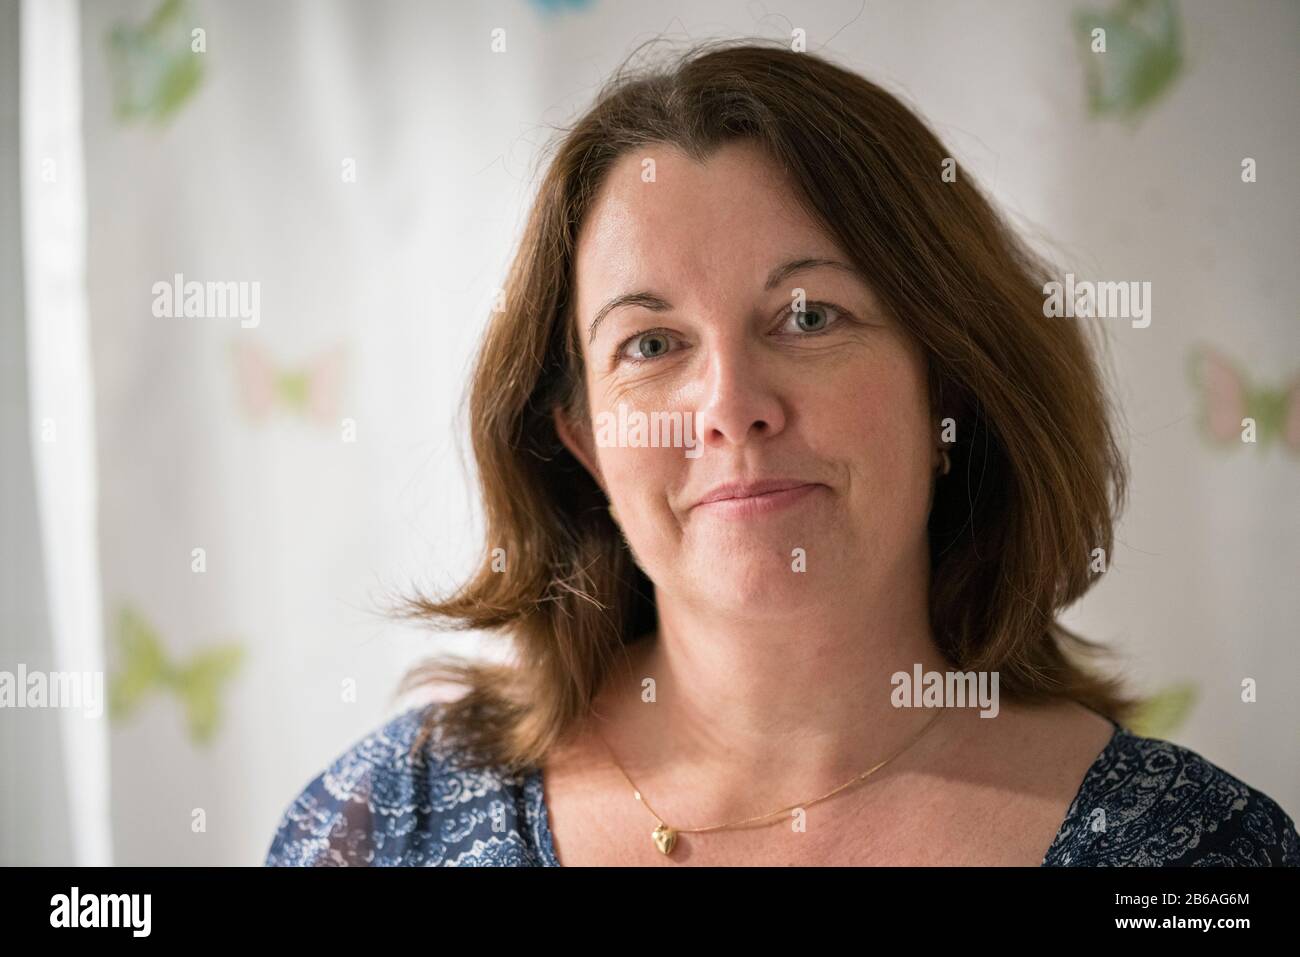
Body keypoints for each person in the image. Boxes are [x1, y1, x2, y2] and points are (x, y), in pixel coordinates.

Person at [266, 39, 1299, 867]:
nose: (730, 407)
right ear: (580, 437)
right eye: (651, 344)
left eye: (808, 317)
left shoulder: (1192, 857)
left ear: (948, 385)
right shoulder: (383, 826)